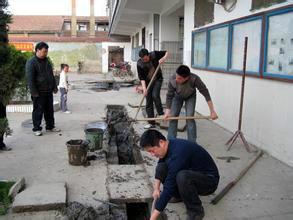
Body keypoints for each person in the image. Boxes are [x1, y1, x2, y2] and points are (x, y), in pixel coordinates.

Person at [140, 129, 219, 220]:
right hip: (193, 172)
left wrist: (153, 217)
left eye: (152, 151)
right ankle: (178, 196)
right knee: (162, 166)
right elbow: (161, 165)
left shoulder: (179, 153)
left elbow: (169, 186)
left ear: (161, 142)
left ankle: (196, 211)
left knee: (183, 177)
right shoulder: (169, 145)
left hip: (209, 180)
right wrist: (156, 189)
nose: (152, 155)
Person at [164, 65, 218, 143]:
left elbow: (206, 93)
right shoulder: (173, 79)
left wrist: (212, 111)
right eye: (176, 76)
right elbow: (169, 96)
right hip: (177, 96)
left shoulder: (194, 79)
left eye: (179, 78)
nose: (176, 79)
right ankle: (171, 141)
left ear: (187, 78)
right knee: (172, 117)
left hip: (190, 97)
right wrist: (167, 112)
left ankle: (192, 143)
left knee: (190, 117)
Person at [26, 42, 60, 136]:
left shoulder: (47, 61)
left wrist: (54, 87)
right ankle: (36, 128)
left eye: (46, 51)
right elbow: (30, 78)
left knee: (49, 110)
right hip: (38, 92)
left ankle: (50, 126)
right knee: (38, 111)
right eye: (44, 51)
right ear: (37, 50)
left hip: (48, 91)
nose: (46, 53)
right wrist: (34, 92)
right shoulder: (31, 62)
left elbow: (51, 75)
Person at [137, 48, 168, 129]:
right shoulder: (139, 64)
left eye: (146, 58)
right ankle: (151, 123)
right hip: (147, 82)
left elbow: (166, 52)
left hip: (158, 79)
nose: (144, 60)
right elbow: (141, 77)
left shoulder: (154, 54)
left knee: (155, 95)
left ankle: (161, 113)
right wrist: (144, 89)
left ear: (148, 55)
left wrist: (163, 58)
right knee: (148, 101)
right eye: (142, 59)